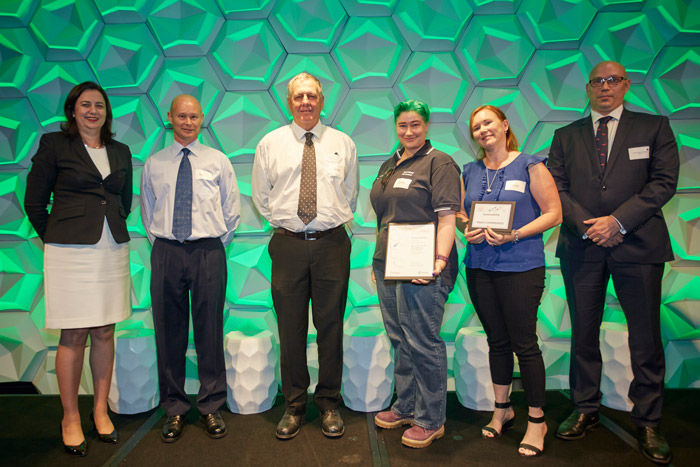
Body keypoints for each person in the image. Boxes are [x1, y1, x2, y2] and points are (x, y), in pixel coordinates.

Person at [548, 61, 678, 465]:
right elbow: (556, 188)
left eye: (613, 80)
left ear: (626, 85)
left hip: (638, 245)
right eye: (597, 81)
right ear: (588, 88)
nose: (605, 87)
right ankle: (585, 408)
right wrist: (592, 227)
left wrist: (617, 222)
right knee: (583, 334)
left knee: (645, 337)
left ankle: (649, 420)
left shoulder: (654, 127)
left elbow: (663, 182)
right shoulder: (565, 135)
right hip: (582, 245)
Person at [24, 81, 133, 456]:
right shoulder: (55, 145)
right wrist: (56, 238)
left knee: (105, 330)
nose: (92, 111)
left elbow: (124, 200)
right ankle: (70, 417)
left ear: (107, 112)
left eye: (99, 105)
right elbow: (34, 202)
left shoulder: (120, 150)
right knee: (73, 334)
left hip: (111, 249)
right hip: (69, 252)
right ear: (72, 110)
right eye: (85, 105)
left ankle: (100, 410)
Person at [252, 72, 358, 440]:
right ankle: (295, 405)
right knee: (290, 328)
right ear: (289, 102)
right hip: (289, 245)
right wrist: (290, 224)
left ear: (322, 101)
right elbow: (261, 197)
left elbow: (350, 194)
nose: (305, 102)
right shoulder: (270, 143)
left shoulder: (343, 142)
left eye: (312, 95)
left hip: (332, 244)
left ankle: (328, 403)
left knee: (331, 327)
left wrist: (325, 223)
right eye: (298, 96)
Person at [459, 105, 562, 457]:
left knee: (525, 344)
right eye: (476, 127)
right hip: (479, 266)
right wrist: (466, 228)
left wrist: (514, 234)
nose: (482, 130)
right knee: (497, 342)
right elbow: (460, 213)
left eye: (488, 122)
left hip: (521, 267)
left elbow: (554, 213)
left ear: (504, 125)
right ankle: (502, 409)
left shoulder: (531, 165)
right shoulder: (469, 170)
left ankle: (537, 420)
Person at [140, 94, 240, 443]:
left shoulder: (218, 161)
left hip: (208, 250)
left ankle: (211, 405)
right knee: (169, 331)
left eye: (194, 116)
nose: (187, 122)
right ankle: (175, 408)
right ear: (169, 117)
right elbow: (148, 212)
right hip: (166, 250)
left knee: (209, 329)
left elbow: (231, 211)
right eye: (181, 116)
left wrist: (208, 244)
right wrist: (168, 245)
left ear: (202, 119)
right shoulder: (154, 163)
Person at [370, 99, 461, 449]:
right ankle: (406, 406)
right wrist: (378, 262)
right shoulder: (390, 163)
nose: (408, 131)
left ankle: (431, 419)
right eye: (402, 125)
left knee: (422, 340)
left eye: (415, 125)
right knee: (400, 338)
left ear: (426, 126)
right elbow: (385, 217)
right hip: (389, 264)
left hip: (423, 266)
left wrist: (438, 262)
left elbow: (448, 217)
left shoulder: (439, 162)